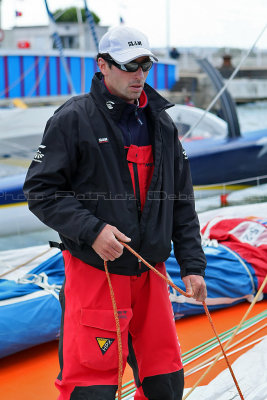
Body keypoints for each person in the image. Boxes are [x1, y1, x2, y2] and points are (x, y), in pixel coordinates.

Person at [23, 26, 207, 400]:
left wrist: (192, 264)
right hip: (96, 274)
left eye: (145, 65)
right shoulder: (73, 119)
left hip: (153, 274)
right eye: (129, 66)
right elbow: (40, 191)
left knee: (166, 385)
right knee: (92, 392)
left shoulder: (162, 123)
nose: (139, 75)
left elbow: (181, 200)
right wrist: (92, 231)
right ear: (102, 66)